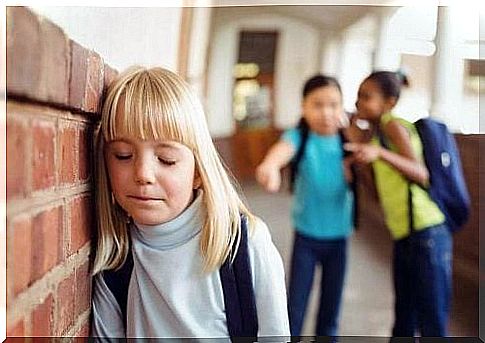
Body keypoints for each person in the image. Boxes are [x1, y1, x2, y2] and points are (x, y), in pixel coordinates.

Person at [90, 66, 290, 339]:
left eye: (167, 159)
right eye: (123, 155)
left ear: (198, 171)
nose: (143, 175)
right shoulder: (114, 261)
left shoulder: (244, 245)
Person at [344, 71, 452, 337]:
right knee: (404, 317)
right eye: (358, 96)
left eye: (366, 97)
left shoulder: (392, 125)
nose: (358, 103)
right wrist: (361, 153)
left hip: (427, 232)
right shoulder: (376, 134)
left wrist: (379, 153)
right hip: (405, 234)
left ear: (389, 102)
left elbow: (421, 173)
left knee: (432, 320)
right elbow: (377, 193)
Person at [255, 75, 354, 339]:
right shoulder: (299, 136)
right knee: (295, 307)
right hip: (307, 237)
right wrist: (270, 167)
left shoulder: (349, 141)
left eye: (333, 104)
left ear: (342, 106)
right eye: (317, 104)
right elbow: (281, 152)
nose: (326, 112)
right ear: (304, 107)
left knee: (330, 311)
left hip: (339, 239)